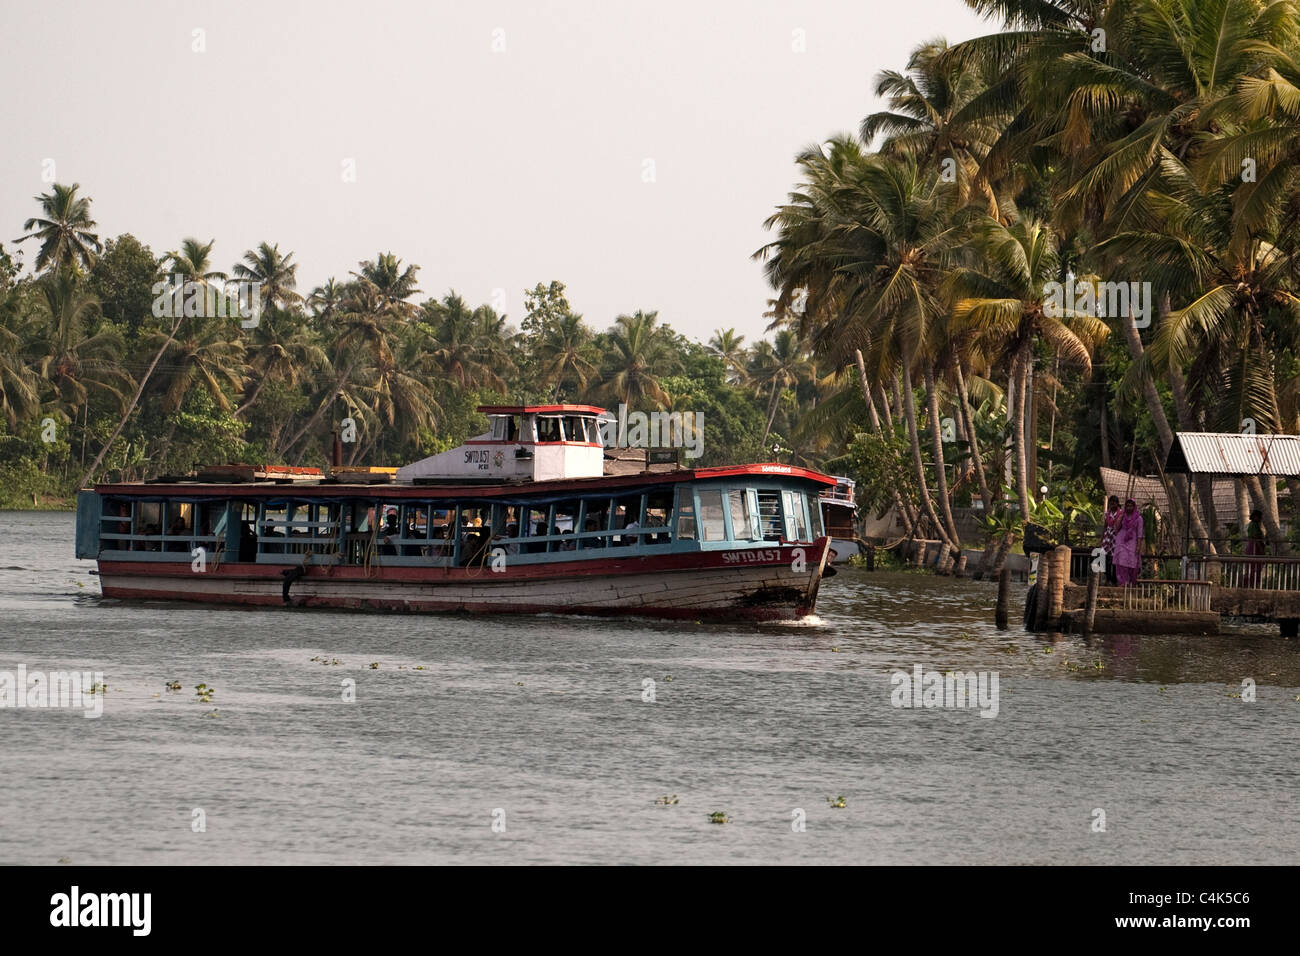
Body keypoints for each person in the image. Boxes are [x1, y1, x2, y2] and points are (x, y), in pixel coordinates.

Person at [1113, 498, 1144, 586]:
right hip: (1121, 541)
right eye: (1127, 506)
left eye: (1131, 506)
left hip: (1133, 542)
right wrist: (1121, 516)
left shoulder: (1139, 518)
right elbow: (1116, 528)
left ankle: (1131, 582)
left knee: (1132, 562)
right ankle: (1123, 582)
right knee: (1121, 562)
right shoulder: (1123, 516)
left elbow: (1140, 533)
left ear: (1134, 507)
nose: (1129, 508)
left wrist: (1138, 546)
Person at [1100, 495, 1122, 584]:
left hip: (1116, 537)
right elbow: (1105, 526)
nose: (1112, 505)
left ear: (1117, 503)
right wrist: (1102, 539)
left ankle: (1114, 579)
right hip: (1107, 537)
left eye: (1114, 503)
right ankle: (1108, 576)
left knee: (1115, 559)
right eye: (1110, 503)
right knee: (1104, 556)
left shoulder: (1121, 513)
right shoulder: (1107, 514)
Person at [1245, 509, 1266, 587]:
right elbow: (1255, 537)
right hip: (1254, 547)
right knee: (1254, 565)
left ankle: (1254, 583)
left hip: (1254, 546)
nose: (1260, 518)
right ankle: (1251, 583)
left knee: (1255, 565)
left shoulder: (1254, 524)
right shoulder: (1253, 525)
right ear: (1254, 517)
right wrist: (1260, 548)